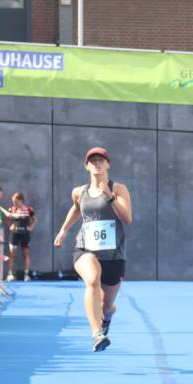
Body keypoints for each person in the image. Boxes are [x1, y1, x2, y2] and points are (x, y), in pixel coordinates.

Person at [54, 147, 132, 352]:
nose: (97, 164)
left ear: (108, 164)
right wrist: (63, 230)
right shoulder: (79, 191)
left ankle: (106, 317)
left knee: (107, 307)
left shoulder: (118, 189)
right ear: (86, 165)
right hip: (85, 248)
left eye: (101, 160)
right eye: (93, 160)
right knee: (92, 279)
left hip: (114, 254)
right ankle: (97, 333)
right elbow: (76, 208)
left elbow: (127, 218)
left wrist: (111, 198)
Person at [4, 192, 37, 281]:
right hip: (14, 234)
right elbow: (7, 218)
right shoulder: (12, 209)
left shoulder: (29, 210)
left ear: (21, 200)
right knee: (12, 254)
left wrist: (31, 227)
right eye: (13, 201)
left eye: (16, 201)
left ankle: (26, 275)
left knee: (25, 254)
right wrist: (10, 225)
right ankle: (10, 274)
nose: (15, 203)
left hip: (25, 234)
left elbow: (35, 220)